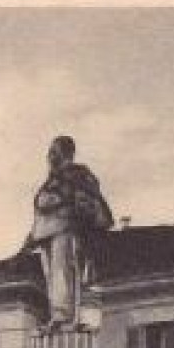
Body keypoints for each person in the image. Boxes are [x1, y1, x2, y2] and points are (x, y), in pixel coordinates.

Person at [24, 135, 114, 328]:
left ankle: (66, 315)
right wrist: (31, 238)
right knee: (52, 276)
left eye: (53, 151)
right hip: (45, 233)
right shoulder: (51, 180)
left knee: (64, 271)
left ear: (65, 153)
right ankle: (58, 313)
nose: (49, 156)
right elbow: (40, 210)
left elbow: (86, 201)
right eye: (50, 152)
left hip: (66, 227)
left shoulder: (79, 174)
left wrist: (69, 205)